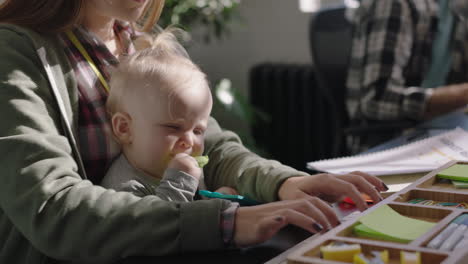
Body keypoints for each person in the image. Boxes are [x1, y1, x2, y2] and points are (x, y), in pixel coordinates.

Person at [0, 0, 387, 263]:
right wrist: (225, 221)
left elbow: (211, 149)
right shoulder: (14, 52)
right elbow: (53, 210)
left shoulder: (145, 43)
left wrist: (284, 184)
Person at [101, 28, 237, 200]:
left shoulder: (185, 169)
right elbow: (164, 223)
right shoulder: (123, 189)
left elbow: (195, 213)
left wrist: (214, 200)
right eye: (174, 127)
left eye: (198, 131)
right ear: (124, 128)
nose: (188, 141)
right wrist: (180, 182)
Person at [347, 0, 468, 150]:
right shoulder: (393, 4)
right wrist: (461, 95)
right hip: (389, 143)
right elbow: (375, 100)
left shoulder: (455, 8)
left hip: (443, 135)